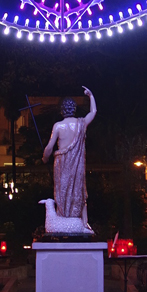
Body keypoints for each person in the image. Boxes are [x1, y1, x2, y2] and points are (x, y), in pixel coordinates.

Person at [42, 86, 96, 230]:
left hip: (62, 164)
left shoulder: (58, 126)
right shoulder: (81, 124)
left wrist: (45, 158)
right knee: (77, 190)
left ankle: (65, 221)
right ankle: (80, 223)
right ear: (74, 109)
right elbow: (93, 112)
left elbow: (49, 148)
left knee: (63, 190)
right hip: (77, 164)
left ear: (62, 111)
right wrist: (91, 96)